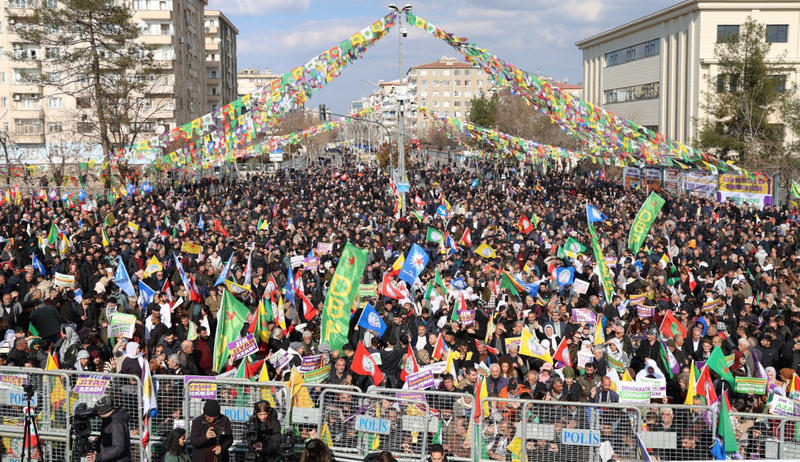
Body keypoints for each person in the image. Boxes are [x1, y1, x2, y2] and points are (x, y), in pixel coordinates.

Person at [86, 395, 131, 462]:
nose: (97, 415)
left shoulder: (116, 423)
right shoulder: (110, 418)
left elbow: (119, 447)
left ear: (104, 412)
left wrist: (98, 457)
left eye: (98, 412)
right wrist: (100, 442)